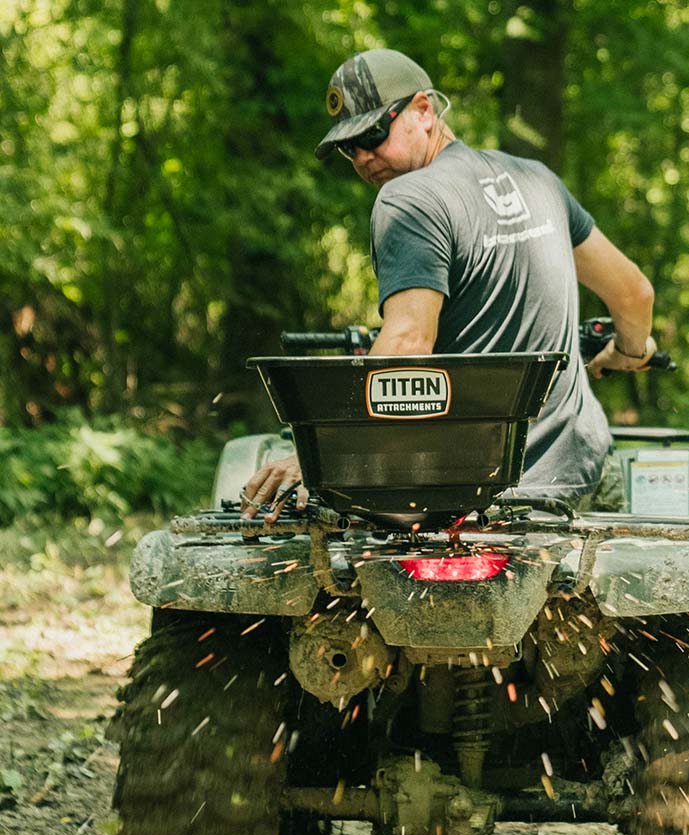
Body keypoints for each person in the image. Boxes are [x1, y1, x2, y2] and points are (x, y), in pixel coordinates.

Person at [242, 48, 655, 522]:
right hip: (581, 479)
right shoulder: (536, 180)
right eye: (347, 146)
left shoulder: (408, 199)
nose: (363, 156)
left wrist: (319, 456)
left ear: (424, 109)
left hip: (469, 503)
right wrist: (629, 351)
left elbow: (406, 343)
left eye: (374, 133)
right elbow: (634, 294)